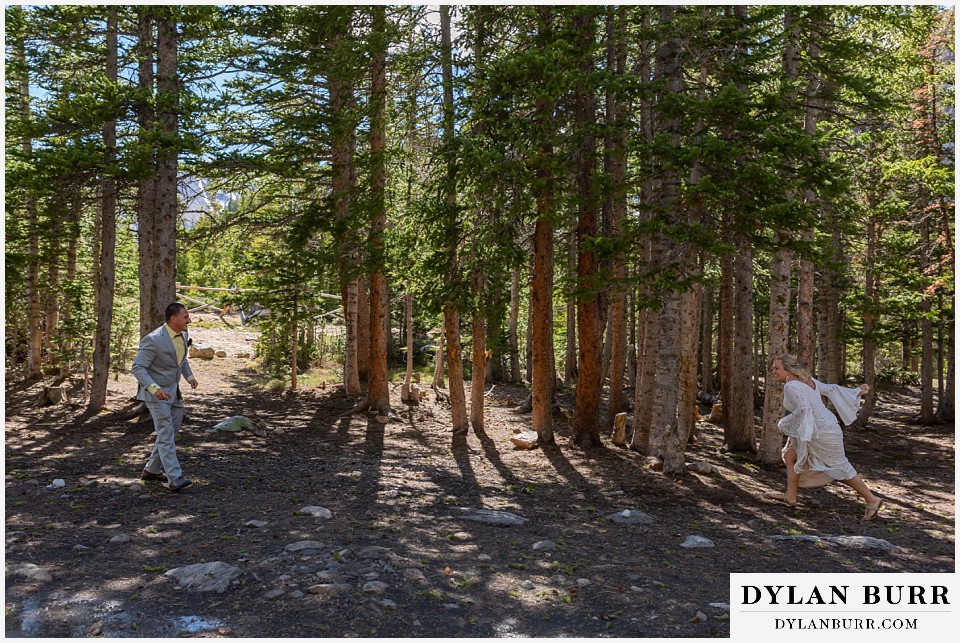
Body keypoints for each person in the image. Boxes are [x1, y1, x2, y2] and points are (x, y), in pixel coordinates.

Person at [770, 354, 883, 520]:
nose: (773, 371)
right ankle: (790, 496)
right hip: (824, 427)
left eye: (776, 368)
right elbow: (830, 389)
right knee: (789, 455)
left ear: (788, 370)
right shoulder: (808, 381)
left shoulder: (791, 386)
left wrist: (785, 423)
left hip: (822, 432)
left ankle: (872, 499)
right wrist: (856, 391)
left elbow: (804, 408)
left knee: (840, 468)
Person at [131, 303, 199, 491]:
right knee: (166, 433)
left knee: (171, 431)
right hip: (156, 395)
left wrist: (190, 377)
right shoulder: (153, 340)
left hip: (174, 392)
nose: (189, 320)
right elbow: (137, 367)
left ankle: (151, 470)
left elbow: (181, 359)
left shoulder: (183, 335)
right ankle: (175, 477)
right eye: (185, 317)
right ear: (173, 319)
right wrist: (154, 389)